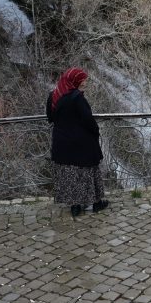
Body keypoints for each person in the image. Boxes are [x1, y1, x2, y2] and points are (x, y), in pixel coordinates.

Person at [46, 67, 109, 217]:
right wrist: (95, 131)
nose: (85, 82)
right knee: (87, 172)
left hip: (62, 143)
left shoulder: (53, 95)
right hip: (81, 142)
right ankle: (96, 203)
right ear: (76, 81)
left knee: (70, 174)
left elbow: (50, 117)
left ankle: (75, 207)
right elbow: (88, 119)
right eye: (83, 79)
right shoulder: (77, 98)